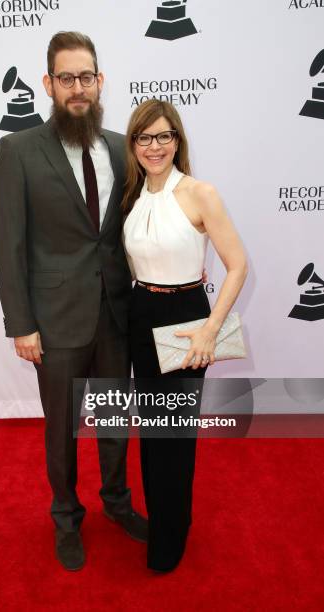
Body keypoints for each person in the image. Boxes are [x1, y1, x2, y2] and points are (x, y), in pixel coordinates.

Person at [0, 31, 147, 572]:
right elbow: (7, 242)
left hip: (116, 313)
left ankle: (118, 503)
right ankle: (65, 518)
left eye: (86, 77)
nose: (76, 88)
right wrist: (21, 324)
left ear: (99, 82)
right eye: (65, 78)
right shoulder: (18, 149)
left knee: (113, 418)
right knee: (60, 427)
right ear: (48, 84)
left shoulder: (123, 147)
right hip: (53, 322)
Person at [122, 100, 248, 572]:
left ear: (177, 140)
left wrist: (209, 331)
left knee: (174, 436)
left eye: (163, 136)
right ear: (133, 144)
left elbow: (237, 266)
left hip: (186, 317)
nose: (154, 147)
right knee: (152, 434)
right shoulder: (133, 196)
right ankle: (162, 522)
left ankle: (169, 542)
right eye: (144, 138)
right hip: (141, 313)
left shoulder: (200, 193)